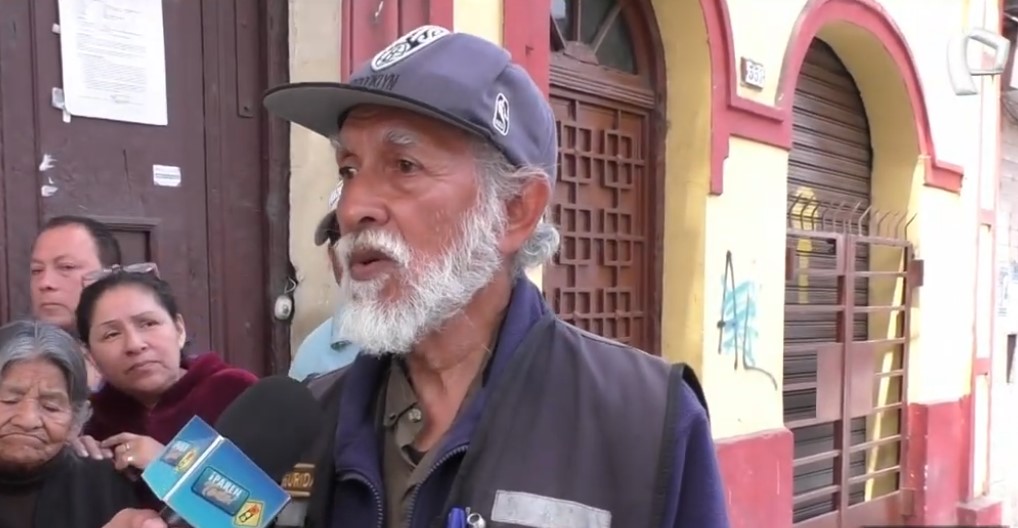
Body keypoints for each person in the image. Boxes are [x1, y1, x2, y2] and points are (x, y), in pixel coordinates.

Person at [102, 25, 730, 528]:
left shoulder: (646, 418)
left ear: (513, 212)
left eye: (403, 164)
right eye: (349, 169)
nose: (352, 208)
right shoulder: (303, 417)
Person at [69, 270, 257, 474]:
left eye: (148, 324)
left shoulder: (235, 393)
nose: (134, 344)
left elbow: (262, 502)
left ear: (179, 330)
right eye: (112, 334)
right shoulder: (93, 421)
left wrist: (169, 463)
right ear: (90, 357)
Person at [0, 320, 140, 528]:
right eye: (9, 400)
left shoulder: (103, 486)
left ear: (75, 421)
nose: (28, 420)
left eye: (50, 406)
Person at [29, 215, 122, 391]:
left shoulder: (141, 354)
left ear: (109, 275)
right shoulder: (10, 362)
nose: (45, 283)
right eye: (36, 270)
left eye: (67, 267)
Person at [288, 185, 361, 381]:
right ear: (331, 257)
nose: (354, 247)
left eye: (366, 229)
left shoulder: (434, 335)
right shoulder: (312, 356)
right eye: (341, 234)